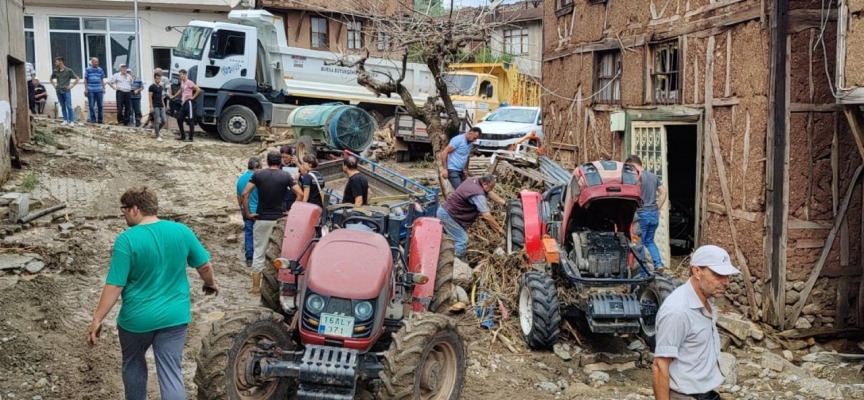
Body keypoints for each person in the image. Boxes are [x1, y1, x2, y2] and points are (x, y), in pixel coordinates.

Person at [86, 186, 218, 400]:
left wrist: (97, 318)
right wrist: (210, 284)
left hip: (136, 320)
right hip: (174, 318)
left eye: (124, 209)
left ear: (135, 209)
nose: (123, 214)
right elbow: (204, 266)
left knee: (133, 364)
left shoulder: (126, 240)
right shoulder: (182, 231)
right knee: (170, 371)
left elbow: (115, 285)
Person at [652, 245, 739, 400]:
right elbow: (660, 366)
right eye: (718, 275)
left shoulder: (704, 300)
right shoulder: (677, 311)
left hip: (705, 393)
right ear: (697, 271)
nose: (726, 282)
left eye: (727, 275)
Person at [242, 151, 304, 294]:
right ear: (280, 162)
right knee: (279, 254)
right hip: (279, 221)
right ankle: (276, 286)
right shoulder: (286, 176)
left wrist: (248, 213)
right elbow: (300, 194)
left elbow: (245, 194)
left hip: (262, 218)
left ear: (268, 162)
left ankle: (256, 287)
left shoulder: (258, 175)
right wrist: (291, 212)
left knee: (259, 252)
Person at [436, 174, 506, 258]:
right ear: (484, 184)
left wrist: (505, 203)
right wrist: (499, 229)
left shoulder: (475, 179)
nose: (491, 190)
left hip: (445, 211)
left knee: (446, 239)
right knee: (462, 240)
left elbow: (489, 193)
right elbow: (486, 215)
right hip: (449, 216)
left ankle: (442, 258)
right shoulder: (478, 194)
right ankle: (455, 264)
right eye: (491, 187)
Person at [625, 155, 668, 274]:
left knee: (639, 243)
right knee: (649, 241)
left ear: (632, 165)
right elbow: (663, 192)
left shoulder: (636, 177)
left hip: (641, 216)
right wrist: (657, 207)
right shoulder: (654, 177)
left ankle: (643, 272)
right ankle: (658, 264)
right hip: (653, 215)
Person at [236, 157, 261, 268]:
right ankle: (258, 257)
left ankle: (249, 258)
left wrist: (242, 208)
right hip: (258, 210)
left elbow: (239, 196)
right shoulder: (258, 179)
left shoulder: (241, 179)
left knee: (248, 233)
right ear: (256, 167)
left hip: (246, 210)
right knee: (259, 235)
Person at [170, 69, 201, 142]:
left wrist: (193, 97)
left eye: (182, 74)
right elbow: (180, 90)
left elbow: (198, 90)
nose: (181, 76)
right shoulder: (182, 82)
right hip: (183, 103)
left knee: (191, 119)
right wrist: (173, 96)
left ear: (185, 74)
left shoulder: (189, 82)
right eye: (180, 74)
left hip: (189, 102)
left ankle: (191, 138)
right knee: (179, 118)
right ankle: (183, 136)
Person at [50, 57, 79, 126]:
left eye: (56, 62)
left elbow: (77, 78)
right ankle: (65, 120)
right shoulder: (55, 71)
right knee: (62, 106)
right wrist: (54, 86)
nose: (55, 63)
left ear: (61, 62)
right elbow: (51, 78)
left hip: (66, 91)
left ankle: (71, 121)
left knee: (69, 106)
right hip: (58, 90)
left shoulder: (68, 70)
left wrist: (71, 86)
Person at [84, 57, 107, 124]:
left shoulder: (100, 69)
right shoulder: (88, 69)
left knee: (100, 105)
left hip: (99, 89)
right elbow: (85, 80)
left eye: (97, 62)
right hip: (91, 89)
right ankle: (93, 120)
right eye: (95, 62)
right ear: (92, 62)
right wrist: (86, 89)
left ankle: (100, 120)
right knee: (91, 105)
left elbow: (102, 79)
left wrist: (104, 88)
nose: (96, 63)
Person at [280, 145, 299, 213]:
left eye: (286, 157)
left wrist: (297, 163)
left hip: (293, 194)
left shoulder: (295, 164)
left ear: (291, 156)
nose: (284, 159)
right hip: (282, 195)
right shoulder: (280, 165)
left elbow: (304, 173)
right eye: (283, 157)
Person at [148, 73, 166, 141]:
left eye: (159, 78)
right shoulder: (151, 87)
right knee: (157, 121)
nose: (158, 80)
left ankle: (156, 131)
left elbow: (161, 97)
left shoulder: (161, 87)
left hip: (161, 105)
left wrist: (164, 105)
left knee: (164, 120)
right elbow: (150, 97)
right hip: (155, 106)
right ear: (155, 78)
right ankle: (158, 136)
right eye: (157, 78)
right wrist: (151, 106)